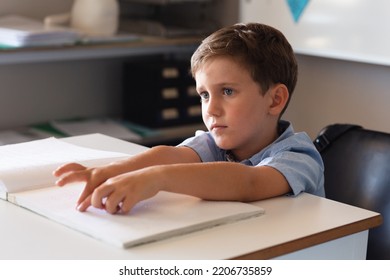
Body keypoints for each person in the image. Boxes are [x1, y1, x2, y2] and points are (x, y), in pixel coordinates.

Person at [54, 23, 324, 214]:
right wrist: (111, 171)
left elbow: (248, 182)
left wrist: (157, 178)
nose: (211, 109)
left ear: (275, 100)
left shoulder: (298, 155)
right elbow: (171, 155)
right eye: (204, 95)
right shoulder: (216, 144)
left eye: (227, 91)